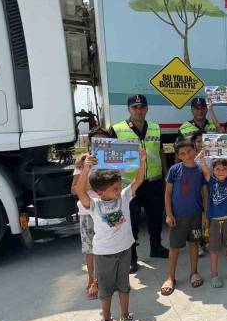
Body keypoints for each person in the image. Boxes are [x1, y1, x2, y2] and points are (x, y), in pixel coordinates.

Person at [76, 148, 146, 321]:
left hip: (124, 251)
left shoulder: (123, 196)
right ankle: (106, 318)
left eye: (119, 186)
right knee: (105, 289)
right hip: (103, 254)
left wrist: (142, 161)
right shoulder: (94, 205)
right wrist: (86, 169)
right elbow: (79, 190)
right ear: (100, 192)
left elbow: (138, 181)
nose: (119, 189)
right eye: (114, 188)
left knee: (124, 285)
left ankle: (125, 315)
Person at [109, 94, 169, 273]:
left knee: (155, 217)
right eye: (135, 107)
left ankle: (156, 247)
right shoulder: (117, 129)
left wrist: (166, 176)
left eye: (142, 107)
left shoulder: (156, 128)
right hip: (131, 184)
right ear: (128, 109)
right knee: (131, 222)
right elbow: (110, 158)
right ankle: (132, 257)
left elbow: (161, 152)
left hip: (154, 181)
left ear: (147, 109)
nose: (139, 110)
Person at [160, 140, 207, 296]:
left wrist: (205, 214)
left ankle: (194, 272)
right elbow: (167, 194)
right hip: (178, 217)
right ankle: (170, 277)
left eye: (189, 151)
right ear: (178, 156)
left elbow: (204, 194)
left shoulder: (201, 170)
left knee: (194, 244)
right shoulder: (174, 170)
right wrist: (169, 214)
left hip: (195, 216)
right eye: (182, 153)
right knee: (174, 248)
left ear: (195, 150)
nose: (187, 155)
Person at [71, 127, 110, 300]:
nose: (101, 144)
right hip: (87, 211)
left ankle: (108, 279)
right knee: (90, 248)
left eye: (104, 140)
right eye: (97, 141)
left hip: (108, 209)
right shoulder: (82, 163)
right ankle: (92, 279)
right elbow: (74, 189)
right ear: (91, 143)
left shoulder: (112, 161)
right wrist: (89, 184)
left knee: (109, 246)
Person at [198, 151, 227, 287]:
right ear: (213, 171)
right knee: (214, 249)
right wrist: (201, 158)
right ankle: (214, 275)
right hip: (214, 222)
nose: (221, 171)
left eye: (224, 169)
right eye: (217, 169)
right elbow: (205, 169)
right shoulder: (211, 181)